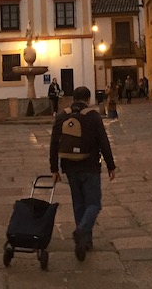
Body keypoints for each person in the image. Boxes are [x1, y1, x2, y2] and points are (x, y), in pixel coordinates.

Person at [50, 86, 116, 261]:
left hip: (69, 167)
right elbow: (103, 141)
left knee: (79, 204)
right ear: (88, 99)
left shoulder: (62, 115)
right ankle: (82, 231)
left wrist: (54, 169)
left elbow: (53, 143)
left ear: (74, 98)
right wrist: (111, 165)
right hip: (90, 166)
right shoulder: (93, 116)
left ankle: (85, 241)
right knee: (94, 204)